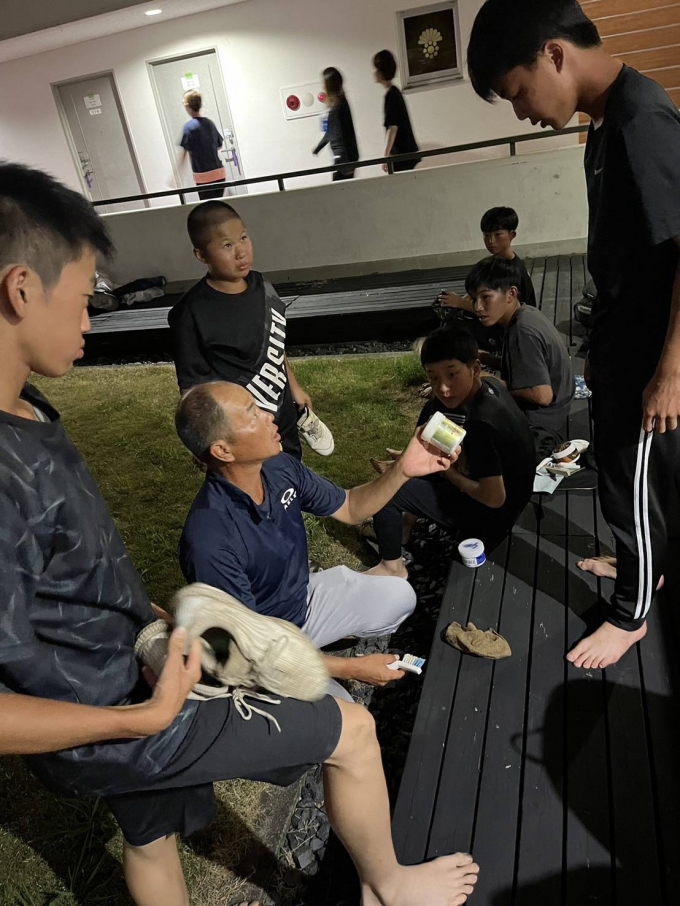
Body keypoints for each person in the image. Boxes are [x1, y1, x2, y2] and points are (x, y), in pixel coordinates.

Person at [0, 161, 480, 906]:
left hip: (147, 667)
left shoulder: (29, 410)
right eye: (86, 293)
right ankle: (387, 888)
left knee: (151, 839)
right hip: (131, 711)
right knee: (351, 732)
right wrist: (147, 714)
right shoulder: (204, 533)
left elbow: (69, 582)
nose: (92, 317)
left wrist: (146, 619)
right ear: (22, 288)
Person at [467, 0, 680, 670]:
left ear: (554, 54)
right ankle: (646, 564)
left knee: (629, 478)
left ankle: (632, 612)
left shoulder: (642, 122)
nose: (521, 112)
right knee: (630, 475)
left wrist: (671, 370)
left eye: (518, 92)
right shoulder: (607, 122)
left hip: (651, 355)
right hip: (623, 344)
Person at [175, 381, 432, 699]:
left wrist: (403, 470)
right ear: (223, 450)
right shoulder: (209, 543)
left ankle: (315, 651)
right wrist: (353, 668)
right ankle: (300, 678)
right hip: (261, 649)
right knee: (349, 715)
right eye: (253, 414)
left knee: (399, 595)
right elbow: (247, 652)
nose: (270, 415)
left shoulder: (278, 467)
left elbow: (350, 507)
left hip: (302, 602)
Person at [168, 201, 333, 460]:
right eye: (227, 245)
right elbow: (191, 390)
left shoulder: (262, 285)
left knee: (292, 472)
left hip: (283, 415)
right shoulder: (189, 314)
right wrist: (205, 445)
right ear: (201, 255)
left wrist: (294, 388)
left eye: (243, 238)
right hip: (243, 431)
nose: (241, 252)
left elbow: (274, 345)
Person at [369, 325, 535, 578]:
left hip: (494, 516)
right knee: (434, 414)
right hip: (517, 496)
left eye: (452, 375)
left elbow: (494, 498)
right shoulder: (492, 387)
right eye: (433, 377)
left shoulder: (482, 425)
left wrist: (450, 474)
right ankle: (406, 516)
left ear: (475, 368)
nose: (443, 387)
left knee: (387, 492)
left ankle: (391, 568)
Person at [465, 256, 573, 462]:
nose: (478, 307)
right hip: (556, 415)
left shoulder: (523, 332)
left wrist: (491, 382)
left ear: (511, 294)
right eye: (473, 299)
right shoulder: (527, 313)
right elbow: (525, 366)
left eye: (485, 297)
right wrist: (487, 358)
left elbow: (542, 396)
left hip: (541, 428)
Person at [438, 207, 537, 313]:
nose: (491, 241)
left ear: (512, 235)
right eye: (486, 235)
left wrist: (460, 303)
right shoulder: (496, 263)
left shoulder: (514, 271)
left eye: (497, 234)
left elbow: (497, 312)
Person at [373, 50, 420, 173]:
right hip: (406, 154)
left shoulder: (391, 96)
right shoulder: (395, 92)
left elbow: (392, 127)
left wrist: (385, 155)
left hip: (402, 155)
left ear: (380, 72)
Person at [313, 67, 360, 181]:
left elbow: (344, 135)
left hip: (344, 160)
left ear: (329, 85)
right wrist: (318, 148)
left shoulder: (339, 107)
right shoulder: (338, 105)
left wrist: (345, 163)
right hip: (344, 159)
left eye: (324, 84)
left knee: (341, 189)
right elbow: (331, 132)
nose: (323, 87)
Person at [179, 90, 226, 201]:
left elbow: (184, 154)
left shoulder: (189, 127)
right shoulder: (210, 123)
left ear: (187, 106)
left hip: (203, 177)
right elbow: (219, 145)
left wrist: (177, 175)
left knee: (207, 207)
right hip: (219, 174)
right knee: (218, 203)